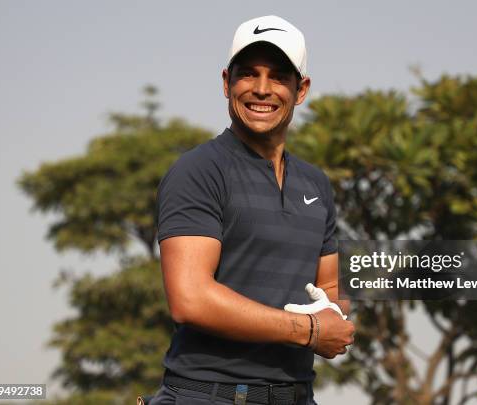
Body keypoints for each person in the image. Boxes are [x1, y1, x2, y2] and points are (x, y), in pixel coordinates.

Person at [150, 15, 355, 405]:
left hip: (296, 395)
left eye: (278, 76)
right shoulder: (200, 170)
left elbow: (329, 287)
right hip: (210, 395)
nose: (262, 89)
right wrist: (308, 330)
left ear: (301, 89)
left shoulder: (316, 184)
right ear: (227, 82)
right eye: (249, 75)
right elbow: (190, 298)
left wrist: (333, 313)